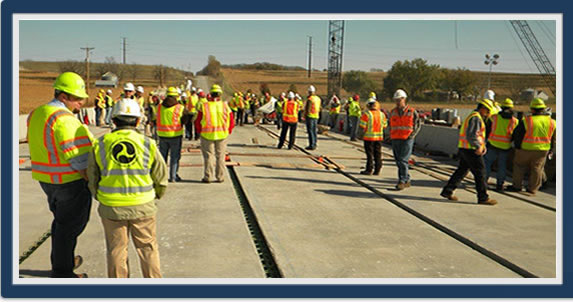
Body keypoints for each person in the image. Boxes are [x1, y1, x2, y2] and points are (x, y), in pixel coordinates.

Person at [87, 98, 168, 278]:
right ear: (139, 121)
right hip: (143, 206)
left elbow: (92, 176)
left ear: (113, 120)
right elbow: (161, 176)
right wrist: (156, 196)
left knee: (116, 250)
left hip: (112, 207)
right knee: (148, 249)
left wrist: (99, 196)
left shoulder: (100, 143)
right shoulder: (148, 143)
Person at [27, 72, 93, 278]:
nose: (81, 103)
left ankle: (63, 259)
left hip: (47, 180)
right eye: (77, 98)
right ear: (63, 96)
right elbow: (80, 161)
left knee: (61, 224)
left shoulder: (37, 113)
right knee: (70, 227)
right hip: (69, 182)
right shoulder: (65, 121)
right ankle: (63, 272)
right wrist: (92, 183)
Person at [440, 99, 498, 205]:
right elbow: (471, 135)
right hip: (471, 149)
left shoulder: (474, 116)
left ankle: (447, 191)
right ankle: (483, 197)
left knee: (462, 170)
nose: (488, 114)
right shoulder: (476, 118)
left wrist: (482, 145)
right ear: (483, 108)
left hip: (465, 148)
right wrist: (478, 147)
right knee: (480, 173)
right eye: (488, 111)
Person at [507, 98, 556, 195]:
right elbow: (553, 138)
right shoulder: (552, 122)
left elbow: (518, 134)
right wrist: (550, 149)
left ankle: (517, 186)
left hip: (525, 148)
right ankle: (533, 189)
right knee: (537, 169)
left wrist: (517, 146)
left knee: (519, 167)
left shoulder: (527, 121)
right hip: (542, 150)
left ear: (532, 109)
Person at [195, 84, 235, 183]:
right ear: (220, 94)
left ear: (210, 94)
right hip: (222, 135)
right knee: (220, 157)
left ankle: (208, 177)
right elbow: (231, 120)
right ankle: (220, 177)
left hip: (207, 135)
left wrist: (199, 131)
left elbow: (198, 121)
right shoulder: (225, 106)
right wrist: (228, 130)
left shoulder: (204, 106)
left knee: (208, 156)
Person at [389, 89, 422, 190]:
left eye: (399, 100)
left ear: (404, 99)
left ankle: (402, 180)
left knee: (403, 160)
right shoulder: (393, 112)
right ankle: (407, 179)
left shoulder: (412, 112)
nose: (398, 102)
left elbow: (417, 124)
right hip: (395, 138)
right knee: (399, 160)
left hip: (407, 139)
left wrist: (412, 135)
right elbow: (390, 124)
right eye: (396, 100)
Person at [156, 87, 190, 182]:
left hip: (162, 135)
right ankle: (173, 176)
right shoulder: (180, 108)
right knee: (175, 157)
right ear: (176, 96)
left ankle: (161, 176)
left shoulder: (159, 107)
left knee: (163, 157)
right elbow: (185, 120)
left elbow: (156, 118)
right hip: (175, 135)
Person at [484, 98, 518, 191]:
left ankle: (483, 181)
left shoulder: (493, 117)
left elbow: (487, 130)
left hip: (492, 144)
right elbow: (515, 135)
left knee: (487, 163)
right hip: (505, 146)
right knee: (502, 165)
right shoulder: (515, 121)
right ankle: (500, 184)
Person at [359, 99, 387, 175]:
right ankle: (377, 169)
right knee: (378, 154)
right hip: (379, 138)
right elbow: (385, 126)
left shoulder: (367, 114)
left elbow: (362, 126)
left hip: (369, 138)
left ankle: (369, 169)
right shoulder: (382, 114)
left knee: (369, 154)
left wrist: (360, 135)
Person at [304, 85, 321, 150]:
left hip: (310, 116)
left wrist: (305, 116)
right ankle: (315, 143)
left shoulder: (310, 99)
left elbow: (308, 109)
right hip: (316, 116)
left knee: (310, 131)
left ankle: (311, 145)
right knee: (314, 131)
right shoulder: (318, 98)